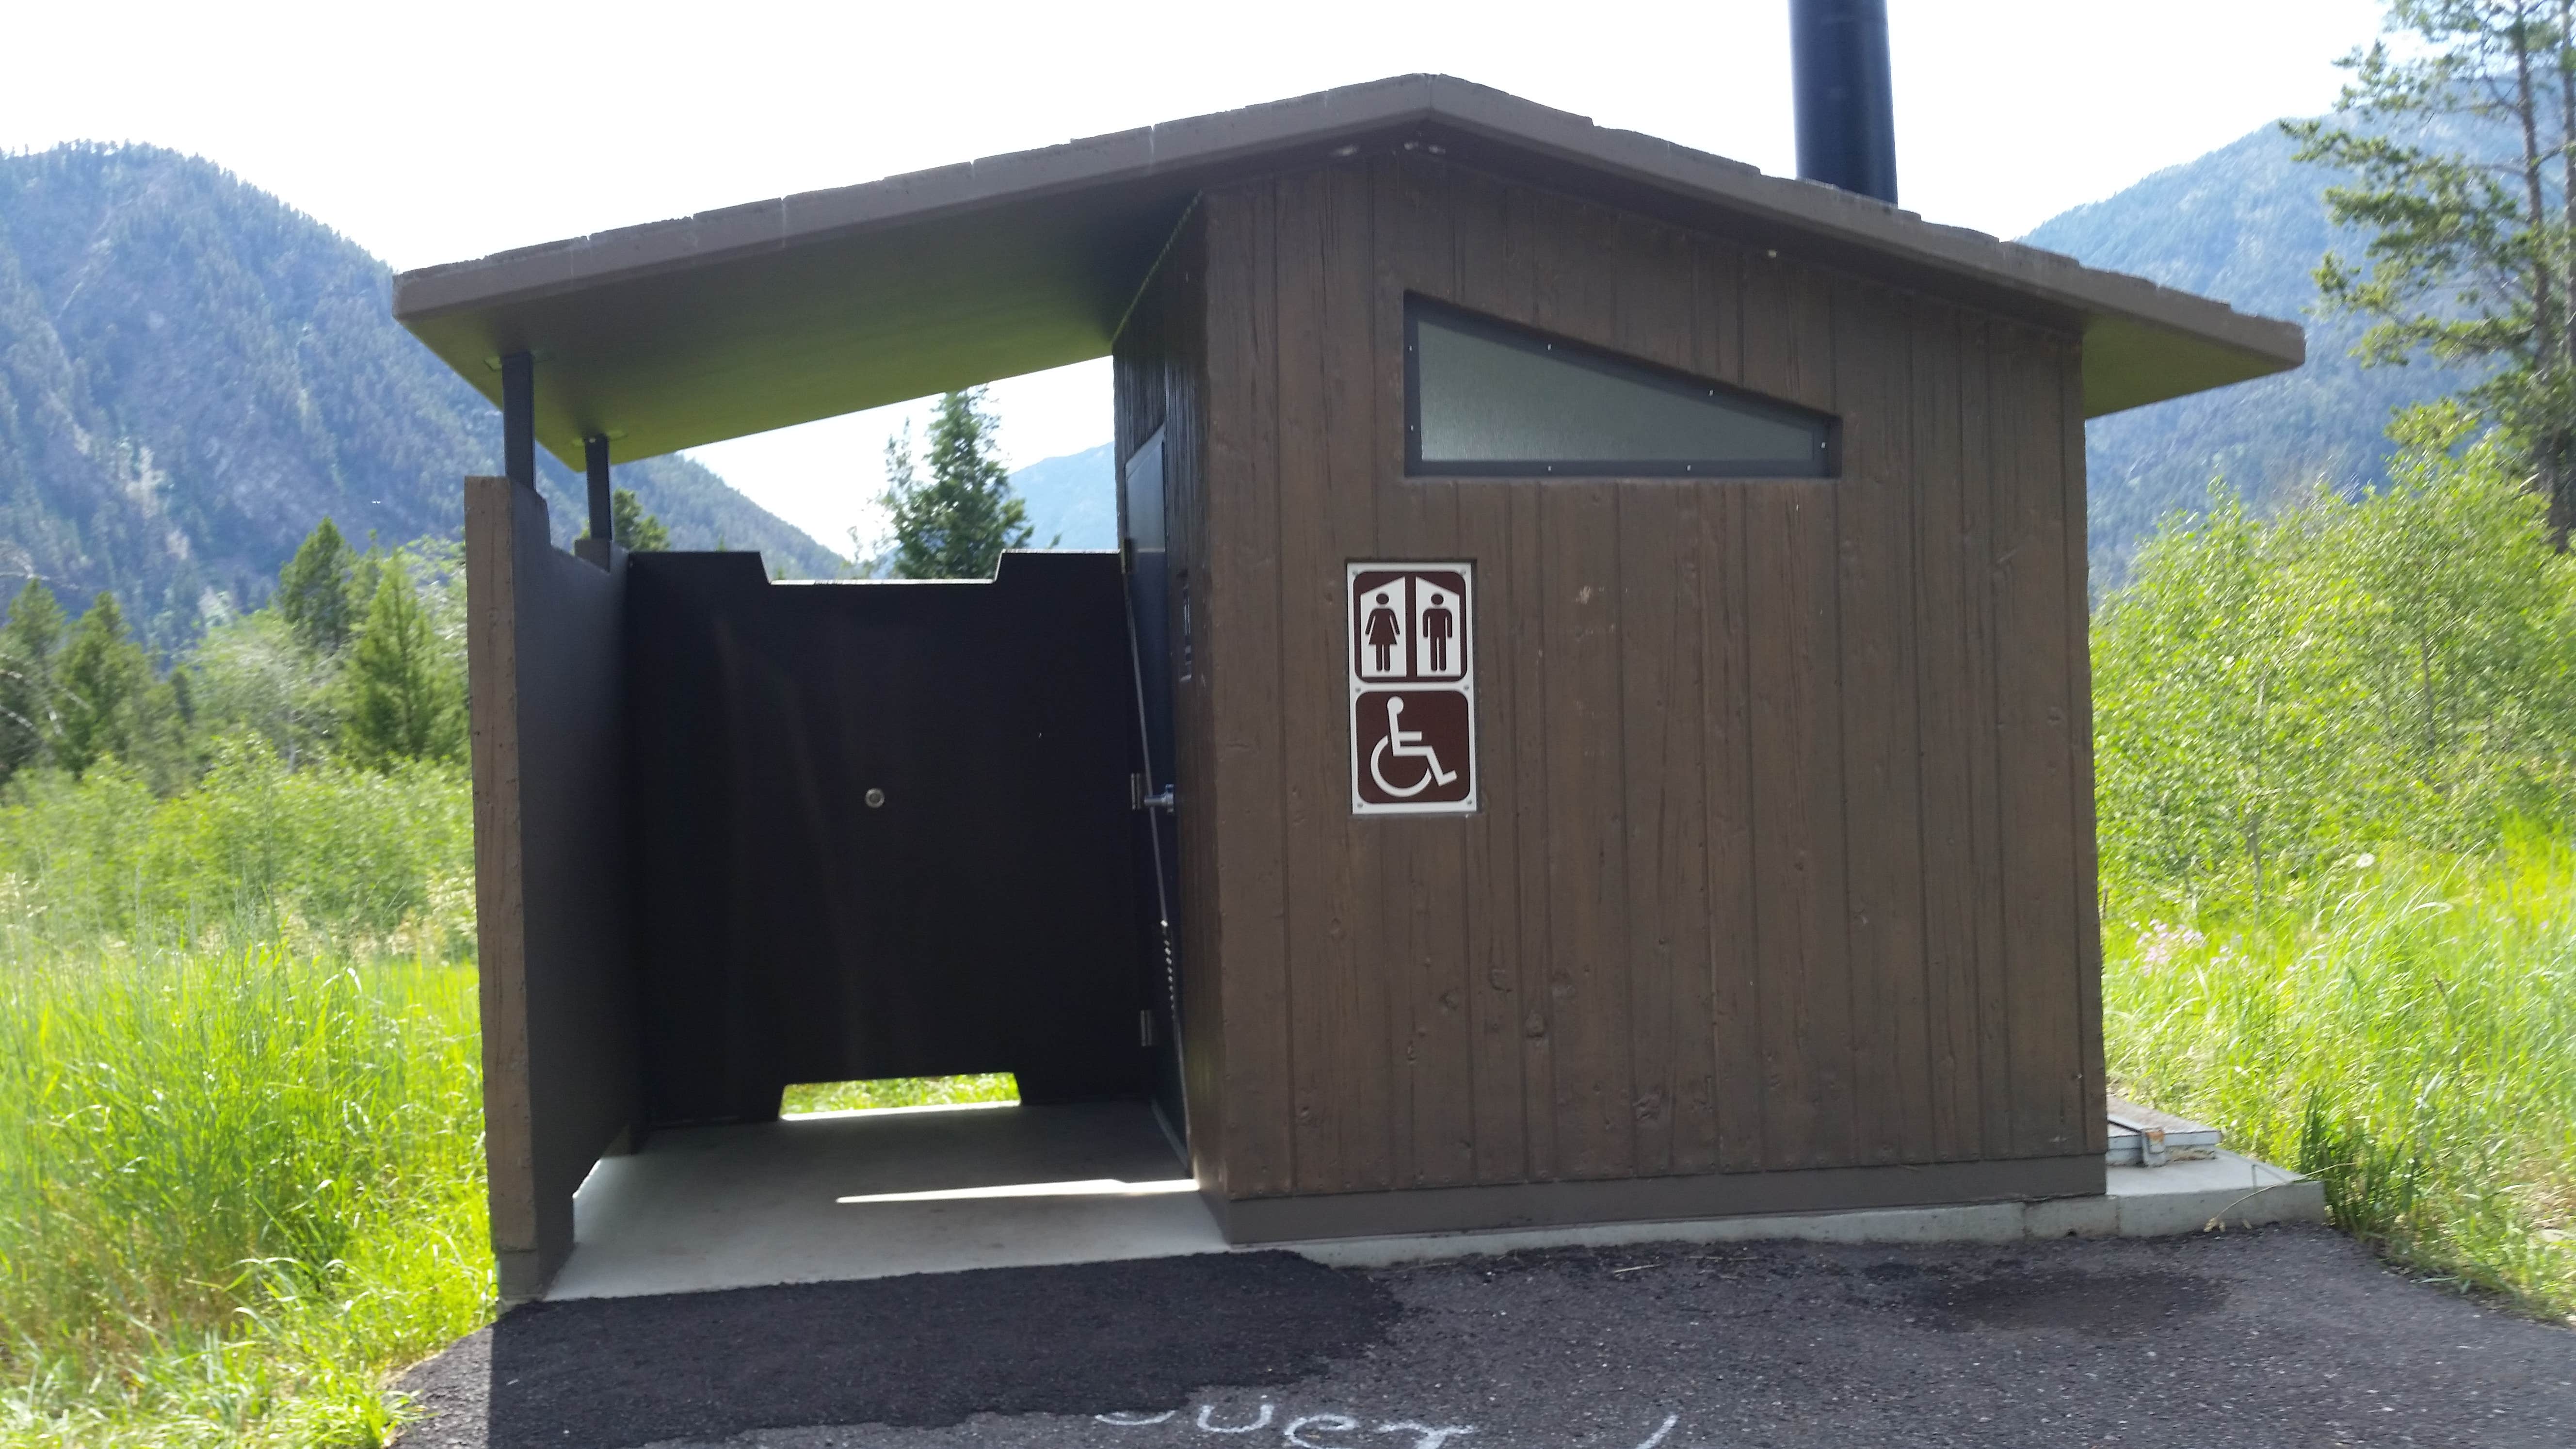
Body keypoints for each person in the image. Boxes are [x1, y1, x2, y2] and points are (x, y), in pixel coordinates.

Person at [1364, 590, 1402, 673]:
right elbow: (1394, 622)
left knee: (1380, 649)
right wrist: (1397, 632)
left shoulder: (1378, 611)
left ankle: (1382, 667)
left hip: (1379, 632)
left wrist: (1367, 632)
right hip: (1385, 632)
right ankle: (1385, 667)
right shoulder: (1387, 611)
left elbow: (1370, 622)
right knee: (1385, 649)